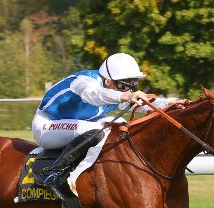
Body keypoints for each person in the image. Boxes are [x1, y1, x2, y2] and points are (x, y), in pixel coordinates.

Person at [32, 52, 150, 193]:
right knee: (95, 131)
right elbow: (95, 95)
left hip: (78, 123)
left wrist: (170, 106)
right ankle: (53, 174)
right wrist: (125, 95)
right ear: (108, 81)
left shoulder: (115, 90)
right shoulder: (83, 82)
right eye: (124, 86)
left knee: (122, 124)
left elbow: (143, 104)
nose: (129, 90)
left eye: (131, 84)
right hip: (46, 125)